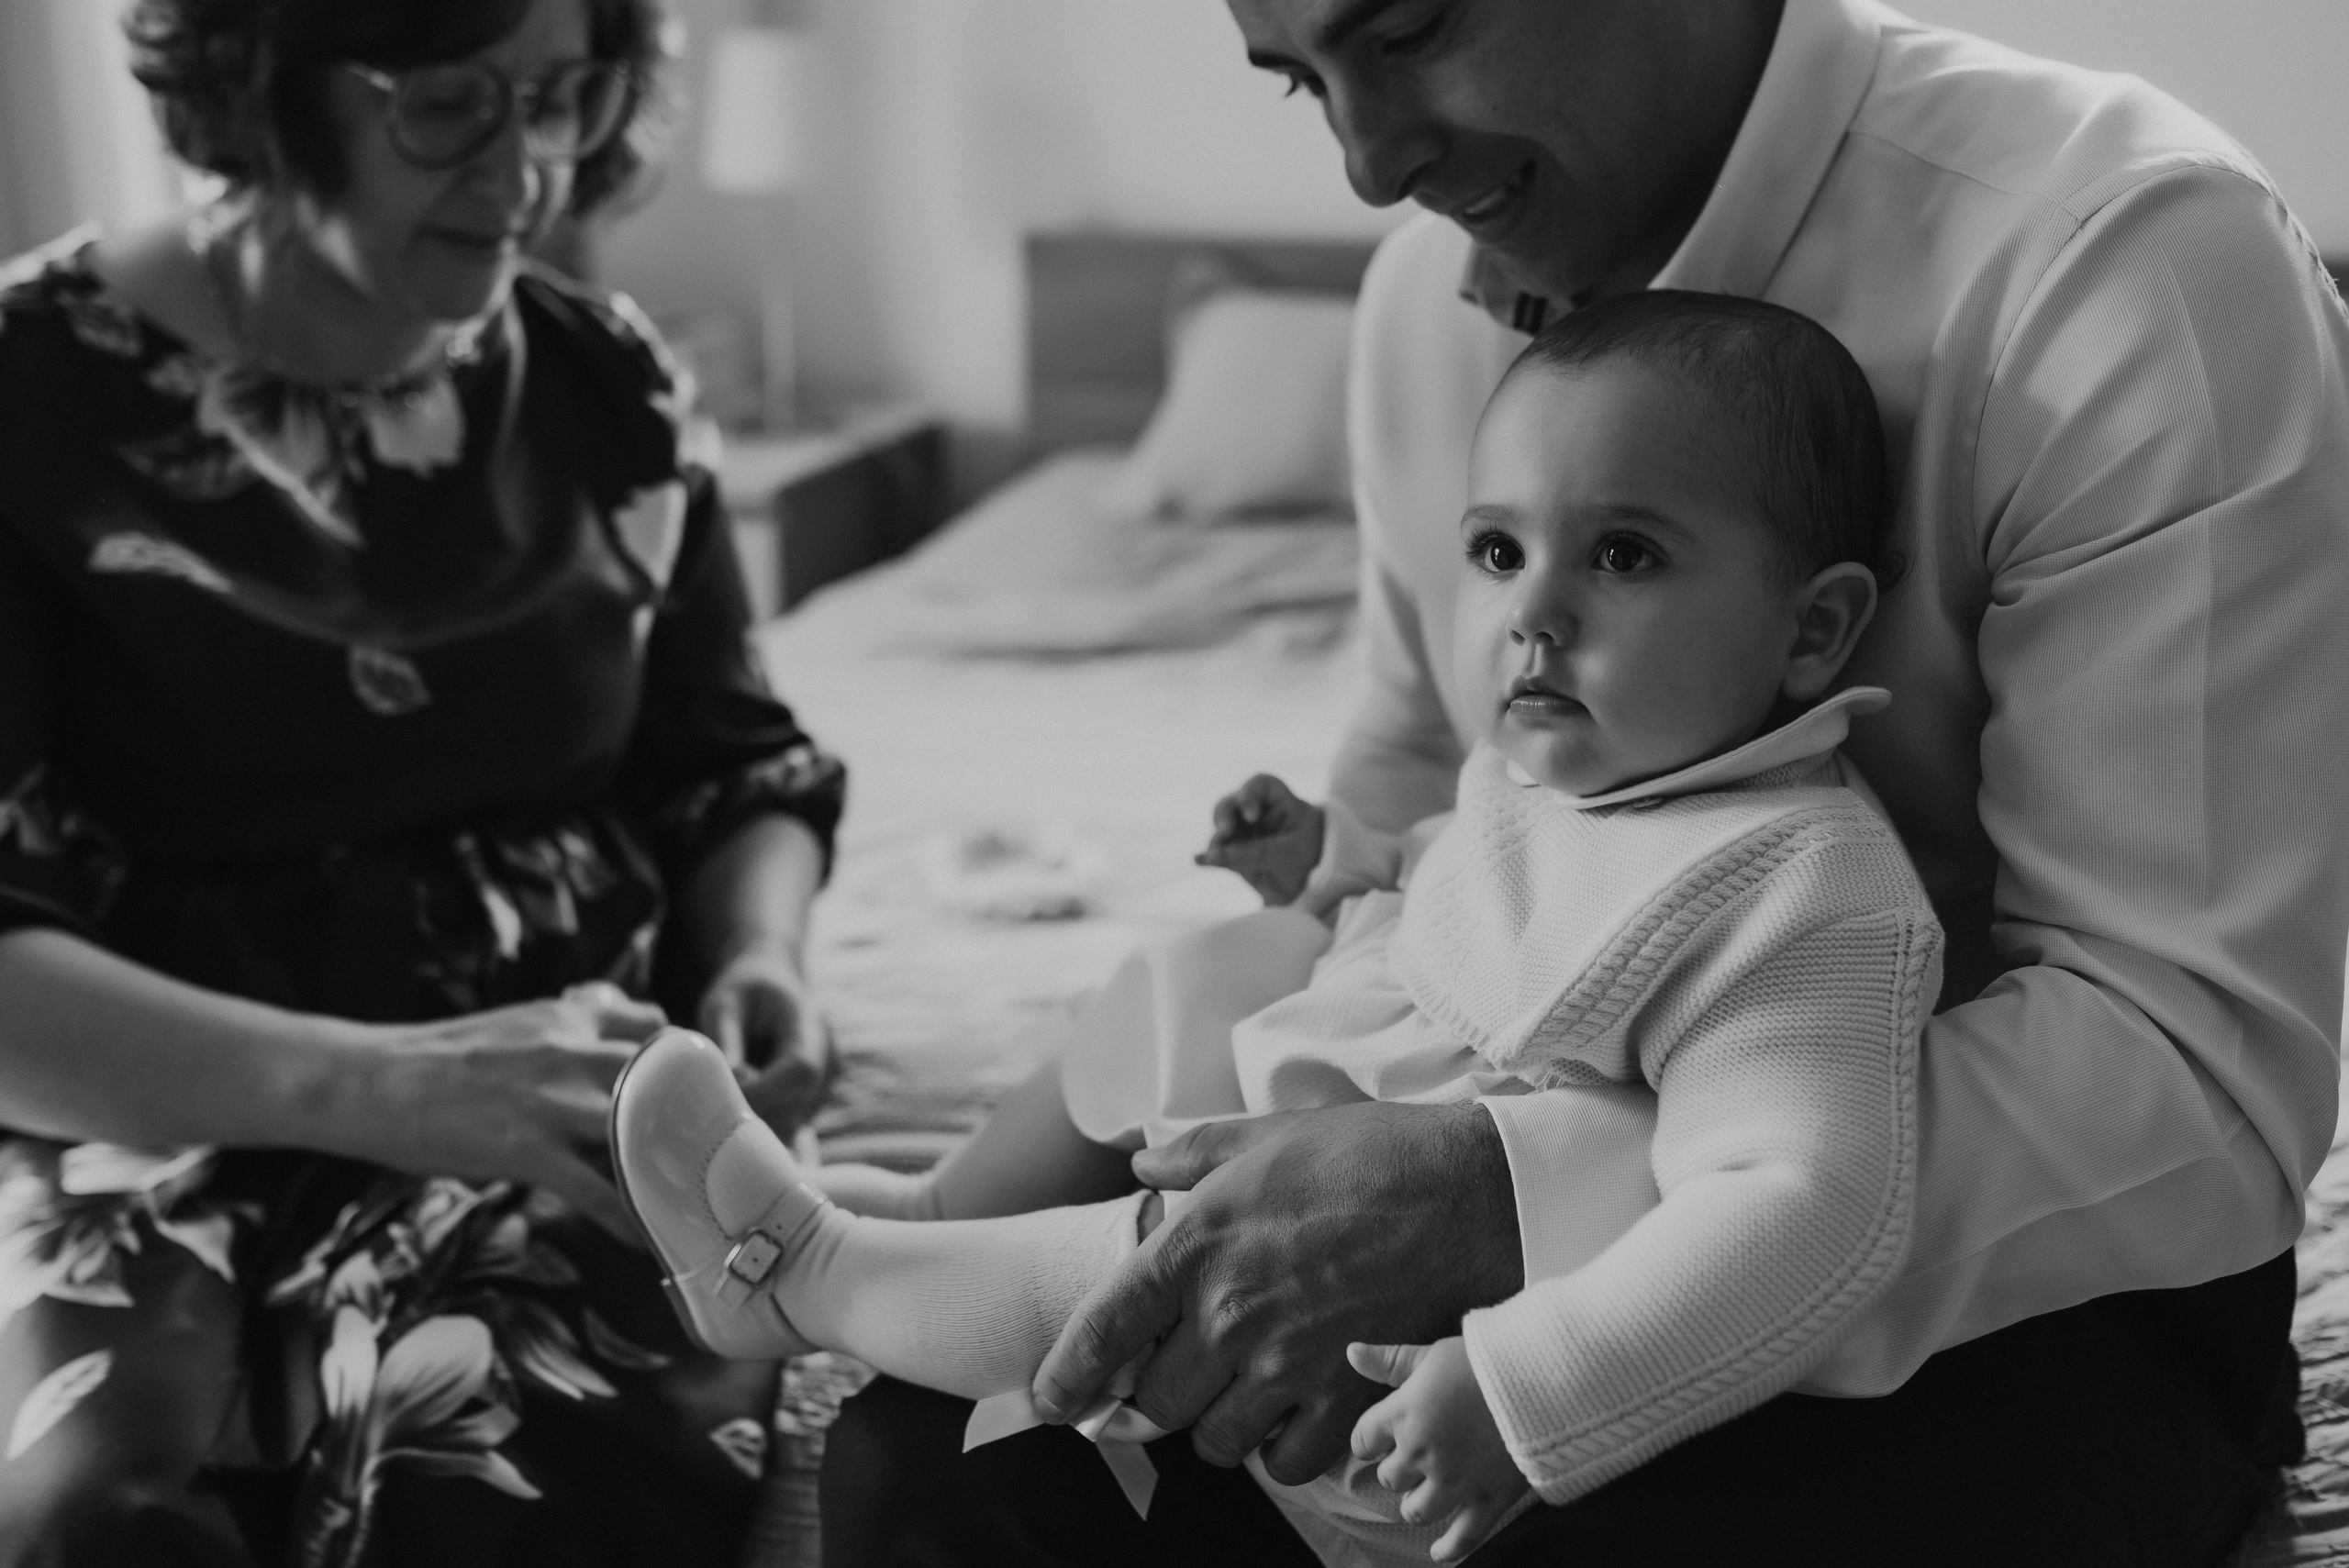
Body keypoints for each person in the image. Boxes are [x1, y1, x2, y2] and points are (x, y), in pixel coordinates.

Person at [823, 2, 2349, 1564]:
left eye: (1409, 29)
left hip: (2033, 1287)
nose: (1366, 160)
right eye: (1300, 82)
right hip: (1463, 1204)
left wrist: (1516, 1194)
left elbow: (2194, 1072)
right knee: (928, 1458)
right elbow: (1438, 788)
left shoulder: (2127, 263)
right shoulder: (1424, 297)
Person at [621, 292, 1943, 1568]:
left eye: (1625, 554)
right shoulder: (1588, 770)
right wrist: (1337, 857)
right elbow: (1465, 888)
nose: (1534, 611)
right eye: (1498, 551)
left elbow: (1802, 1207)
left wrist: (1519, 1388)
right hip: (1337, 1117)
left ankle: (806, 1275)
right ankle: (937, 1205)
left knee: (1170, 1253)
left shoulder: (1800, 888)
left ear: (1813, 626)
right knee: (1202, 975)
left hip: (1394, 1377)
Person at [0, 0, 844, 1562]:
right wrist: (391, 1084)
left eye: (565, 97)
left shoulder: (609, 383)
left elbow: (737, 766)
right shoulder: (27, 389)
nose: (528, 167)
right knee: (94, 1513)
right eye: (451, 100)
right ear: (266, 80)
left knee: (517, 1495)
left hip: (550, 1090)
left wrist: (759, 951)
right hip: (137, 1095)